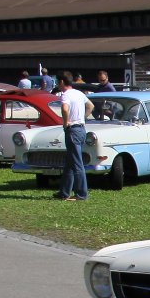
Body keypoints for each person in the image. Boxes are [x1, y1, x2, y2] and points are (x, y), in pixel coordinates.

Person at [54, 72, 94, 201]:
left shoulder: (65, 95)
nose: (57, 85)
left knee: (77, 163)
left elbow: (65, 109)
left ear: (62, 82)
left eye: (57, 82)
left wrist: (66, 123)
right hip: (81, 129)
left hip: (73, 130)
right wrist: (82, 118)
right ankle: (64, 192)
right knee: (70, 161)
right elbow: (91, 106)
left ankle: (82, 194)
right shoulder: (79, 93)